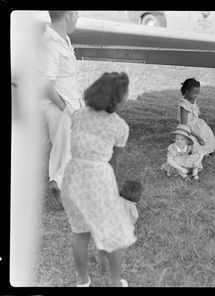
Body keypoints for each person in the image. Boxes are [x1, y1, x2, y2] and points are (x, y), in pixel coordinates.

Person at [61, 72, 135, 287]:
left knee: (79, 232)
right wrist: (112, 190)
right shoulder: (120, 126)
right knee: (113, 233)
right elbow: (113, 163)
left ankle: (82, 281)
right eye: (125, 93)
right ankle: (114, 282)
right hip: (98, 179)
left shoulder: (78, 115)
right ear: (116, 98)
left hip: (73, 177)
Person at [38, 11, 83, 204]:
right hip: (60, 108)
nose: (78, 17)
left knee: (69, 150)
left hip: (69, 105)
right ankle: (60, 186)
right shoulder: (49, 44)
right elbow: (45, 85)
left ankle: (63, 187)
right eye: (76, 13)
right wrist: (65, 109)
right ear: (68, 15)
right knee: (67, 151)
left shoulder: (63, 39)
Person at [177, 78, 215, 168]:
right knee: (197, 143)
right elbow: (184, 125)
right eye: (194, 93)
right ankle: (200, 152)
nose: (196, 96)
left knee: (207, 133)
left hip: (197, 124)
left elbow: (195, 116)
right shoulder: (184, 105)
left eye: (197, 93)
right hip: (188, 129)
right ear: (186, 92)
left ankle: (210, 149)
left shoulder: (193, 100)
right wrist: (197, 136)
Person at [96, 179, 142, 275]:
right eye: (139, 195)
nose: (140, 197)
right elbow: (133, 220)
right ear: (136, 197)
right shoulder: (132, 209)